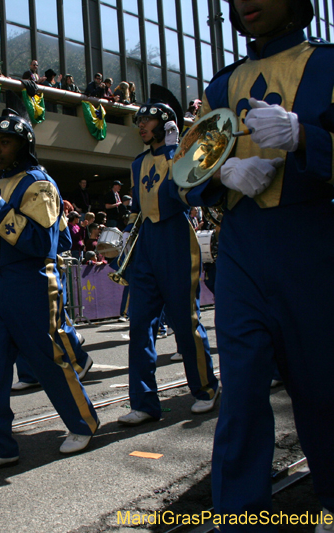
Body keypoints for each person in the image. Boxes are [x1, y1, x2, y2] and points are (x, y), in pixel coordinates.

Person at [181, 1, 334, 529]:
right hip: (240, 247)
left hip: (310, 240)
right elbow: (186, 171)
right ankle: (239, 513)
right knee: (241, 386)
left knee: (321, 386)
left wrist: (307, 137)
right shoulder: (221, 85)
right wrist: (222, 172)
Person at [0, 107, 99, 473]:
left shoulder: (40, 184)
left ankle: (84, 422)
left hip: (30, 283)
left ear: (23, 144)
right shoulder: (2, 186)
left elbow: (40, 243)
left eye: (5, 142)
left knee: (48, 361)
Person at [117, 84, 219, 429]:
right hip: (147, 243)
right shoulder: (137, 163)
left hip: (176, 238)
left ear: (165, 124)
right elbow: (135, 210)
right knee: (139, 325)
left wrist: (180, 149)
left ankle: (205, 388)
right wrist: (123, 244)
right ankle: (144, 402)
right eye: (140, 121)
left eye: (147, 120)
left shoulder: (180, 155)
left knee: (184, 319)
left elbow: (191, 195)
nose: (141, 126)